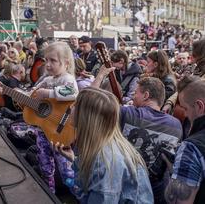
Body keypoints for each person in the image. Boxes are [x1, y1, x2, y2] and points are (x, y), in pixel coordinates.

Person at [93, 68, 182, 204]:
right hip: (157, 192)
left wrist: (99, 76)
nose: (133, 97)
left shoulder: (127, 114)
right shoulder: (176, 125)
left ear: (146, 95)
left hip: (125, 188)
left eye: (136, 93)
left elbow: (88, 104)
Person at [54, 88, 153, 203]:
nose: (71, 108)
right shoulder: (107, 146)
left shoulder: (105, 162)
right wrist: (74, 159)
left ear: (86, 116)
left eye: (76, 105)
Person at [31, 41, 79, 193]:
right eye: (46, 60)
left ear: (66, 63)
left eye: (53, 60)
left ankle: (77, 193)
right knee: (45, 165)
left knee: (66, 169)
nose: (48, 64)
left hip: (60, 131)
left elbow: (72, 92)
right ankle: (49, 192)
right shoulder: (47, 79)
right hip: (43, 130)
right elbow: (33, 94)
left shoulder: (68, 79)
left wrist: (49, 93)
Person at [165, 77, 205, 204]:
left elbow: (179, 200)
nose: (185, 115)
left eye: (185, 109)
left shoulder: (191, 147)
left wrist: (174, 168)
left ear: (199, 106)